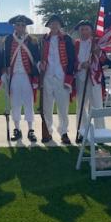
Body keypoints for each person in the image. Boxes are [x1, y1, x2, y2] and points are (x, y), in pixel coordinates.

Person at [3, 15, 40, 142]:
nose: (20, 27)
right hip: (14, 76)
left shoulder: (32, 40)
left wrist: (36, 76)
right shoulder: (8, 39)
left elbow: (37, 59)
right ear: (15, 26)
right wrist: (5, 72)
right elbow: (5, 57)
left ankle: (30, 130)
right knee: (15, 103)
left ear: (25, 27)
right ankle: (17, 129)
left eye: (23, 25)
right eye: (18, 25)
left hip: (27, 76)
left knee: (28, 103)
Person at [39, 15, 75, 144]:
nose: (54, 26)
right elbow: (39, 57)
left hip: (62, 77)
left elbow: (72, 60)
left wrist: (69, 78)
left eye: (56, 24)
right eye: (52, 24)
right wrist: (40, 64)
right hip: (47, 77)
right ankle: (48, 131)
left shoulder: (66, 39)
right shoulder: (43, 39)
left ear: (60, 25)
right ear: (49, 26)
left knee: (63, 107)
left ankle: (64, 132)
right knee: (47, 107)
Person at [73, 20, 106, 143]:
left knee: (97, 106)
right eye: (82, 29)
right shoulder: (75, 44)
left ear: (91, 30)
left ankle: (100, 132)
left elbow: (104, 59)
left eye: (86, 29)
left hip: (94, 78)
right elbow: (72, 61)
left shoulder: (96, 43)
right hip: (81, 78)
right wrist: (81, 65)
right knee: (81, 106)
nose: (84, 32)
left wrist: (97, 51)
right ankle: (82, 131)